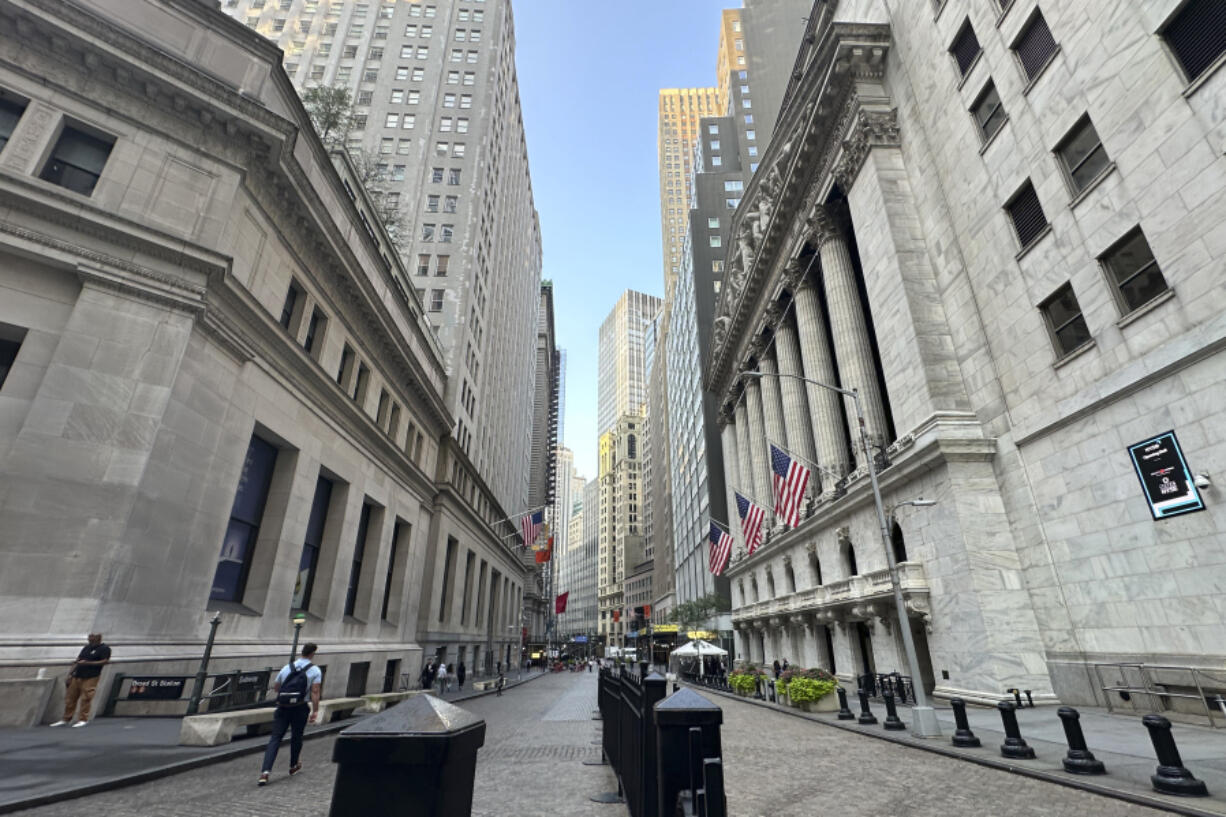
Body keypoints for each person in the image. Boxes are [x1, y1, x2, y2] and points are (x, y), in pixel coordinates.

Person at [258, 643, 322, 786]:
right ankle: (293, 766)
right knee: (296, 736)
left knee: (275, 738)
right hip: (300, 707)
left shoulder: (287, 667)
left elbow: (276, 688)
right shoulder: (315, 670)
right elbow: (315, 692)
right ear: (312, 654)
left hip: (283, 706)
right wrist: (315, 710)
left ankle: (265, 772)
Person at [51, 633, 111, 728]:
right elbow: (78, 661)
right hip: (77, 675)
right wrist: (70, 675)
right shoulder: (86, 647)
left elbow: (105, 661)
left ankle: (83, 719)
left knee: (86, 697)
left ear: (98, 638)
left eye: (92, 638)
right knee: (70, 698)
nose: (89, 639)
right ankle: (66, 718)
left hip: (91, 676)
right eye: (89, 638)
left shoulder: (104, 648)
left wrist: (89, 663)